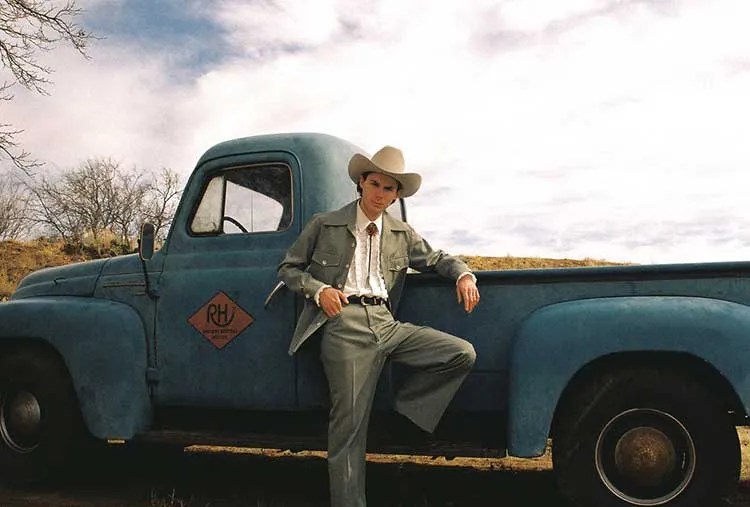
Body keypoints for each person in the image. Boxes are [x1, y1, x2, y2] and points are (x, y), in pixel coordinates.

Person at [277, 145, 479, 507]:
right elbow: (289, 269)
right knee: (349, 430)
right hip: (344, 325)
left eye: (389, 188)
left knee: (460, 354)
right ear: (361, 183)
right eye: (374, 184)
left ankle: (406, 414)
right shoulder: (326, 224)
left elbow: (436, 259)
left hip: (387, 322)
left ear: (396, 194)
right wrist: (318, 289)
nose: (380, 193)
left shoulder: (402, 233)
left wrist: (463, 274)